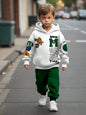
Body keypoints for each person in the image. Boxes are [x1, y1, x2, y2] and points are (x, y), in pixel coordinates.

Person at [23, 3, 69, 112]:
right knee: (40, 84)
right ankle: (42, 94)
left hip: (53, 64)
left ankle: (53, 101)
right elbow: (29, 47)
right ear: (39, 18)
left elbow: (63, 47)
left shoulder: (58, 33)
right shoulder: (35, 33)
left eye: (49, 17)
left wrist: (64, 62)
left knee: (54, 83)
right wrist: (26, 60)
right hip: (40, 66)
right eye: (43, 18)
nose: (46, 20)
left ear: (53, 17)